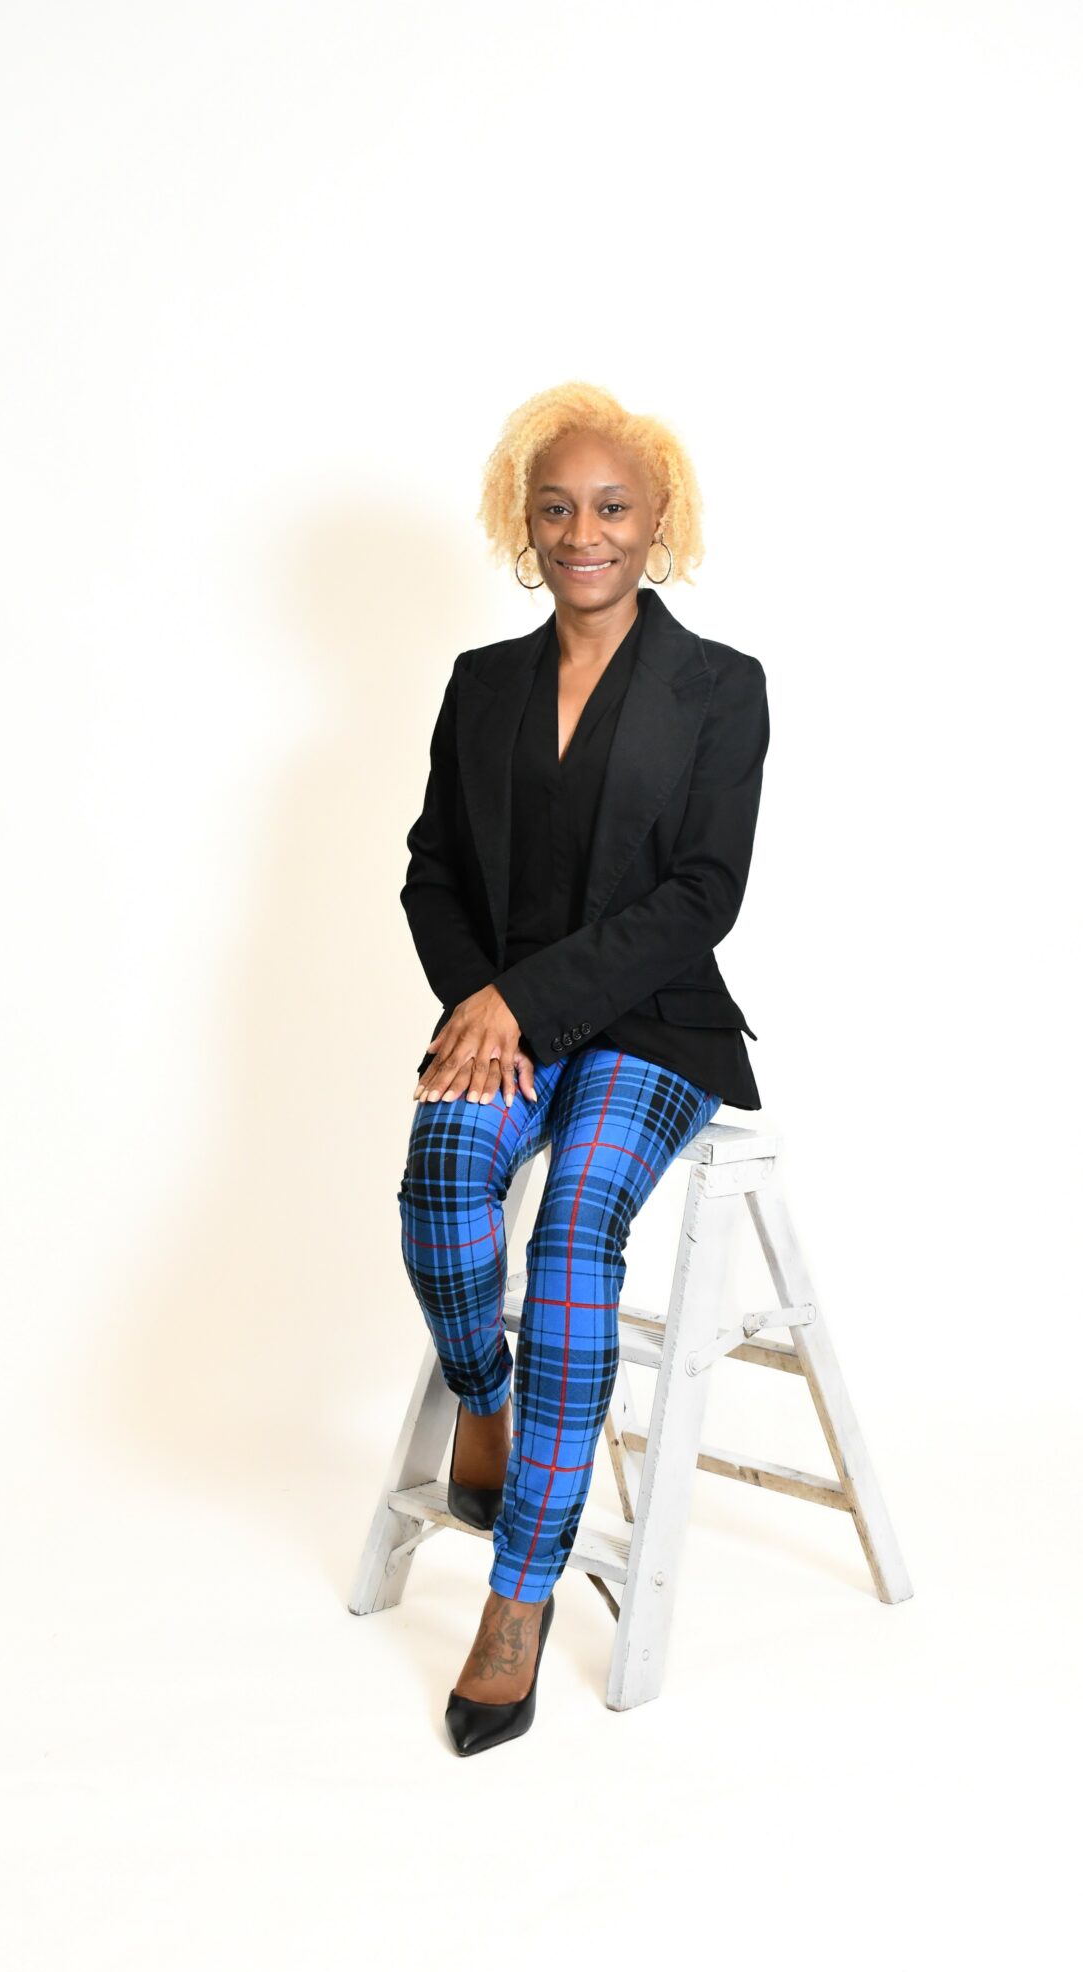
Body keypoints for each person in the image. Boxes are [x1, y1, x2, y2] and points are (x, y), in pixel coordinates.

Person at [396, 380, 770, 1754]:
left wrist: (522, 1002)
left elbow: (700, 896)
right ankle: (483, 1401)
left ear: (658, 519)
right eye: (554, 509)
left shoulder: (719, 688)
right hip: (502, 1017)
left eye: (611, 507)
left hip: (651, 1022)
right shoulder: (481, 685)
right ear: (524, 522)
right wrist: (478, 1004)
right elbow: (432, 872)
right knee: (441, 1181)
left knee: (568, 1242)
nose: (582, 533)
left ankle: (518, 1596)